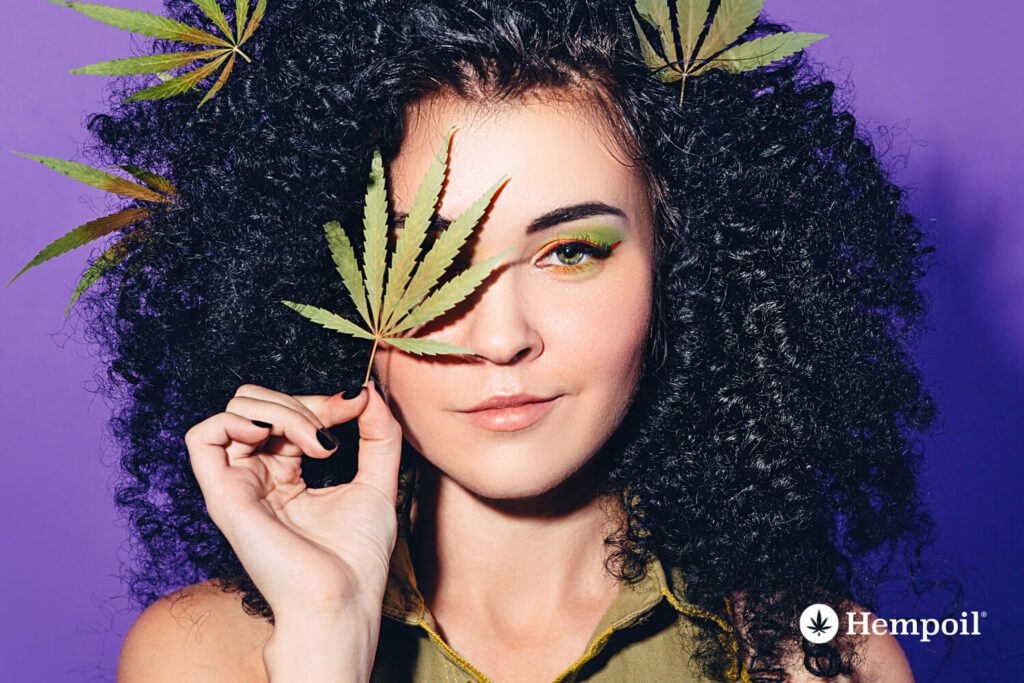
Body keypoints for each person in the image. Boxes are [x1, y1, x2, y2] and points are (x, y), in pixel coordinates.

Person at [47, 0, 935, 680]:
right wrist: (324, 636)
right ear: (325, 279)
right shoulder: (213, 655)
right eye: (431, 261)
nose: (499, 336)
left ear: (690, 267)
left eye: (571, 251)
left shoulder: (816, 660)